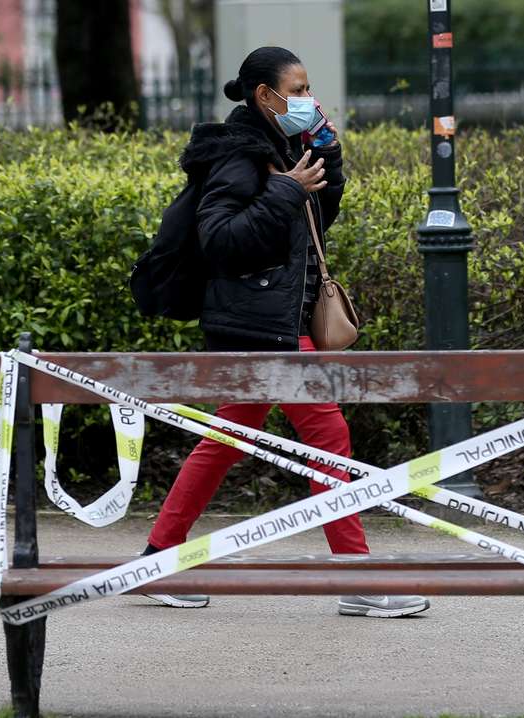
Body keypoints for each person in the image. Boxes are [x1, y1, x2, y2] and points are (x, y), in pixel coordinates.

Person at [141, 46, 430, 619]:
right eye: (296, 91)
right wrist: (286, 190)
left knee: (225, 443)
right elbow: (219, 239)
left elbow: (308, 228)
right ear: (265, 97)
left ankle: (156, 563)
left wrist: (329, 163)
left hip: (276, 320)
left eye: (308, 90)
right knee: (327, 441)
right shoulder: (237, 155)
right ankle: (358, 577)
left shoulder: (284, 146)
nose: (307, 100)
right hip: (261, 326)